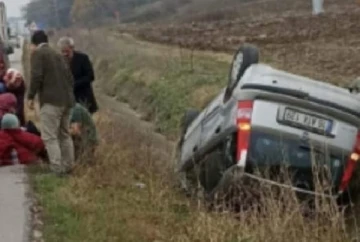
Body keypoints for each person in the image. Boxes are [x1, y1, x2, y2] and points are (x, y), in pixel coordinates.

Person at [27, 30, 75, 175]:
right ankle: (68, 165)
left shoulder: (38, 54)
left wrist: (30, 96)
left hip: (51, 101)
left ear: (34, 44)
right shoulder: (58, 54)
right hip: (67, 101)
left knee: (49, 136)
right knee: (65, 134)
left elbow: (36, 76)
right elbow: (70, 78)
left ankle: (56, 169)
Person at [57, 37, 98, 114]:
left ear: (72, 48)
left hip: (83, 98)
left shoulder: (83, 58)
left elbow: (90, 76)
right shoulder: (59, 61)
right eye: (62, 51)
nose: (65, 54)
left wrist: (74, 84)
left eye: (67, 51)